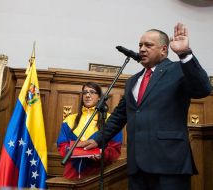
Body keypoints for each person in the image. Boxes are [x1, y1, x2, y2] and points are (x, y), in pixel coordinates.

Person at [77, 23, 212, 189]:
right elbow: (119, 116)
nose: (141, 49)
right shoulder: (133, 81)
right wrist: (98, 140)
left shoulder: (179, 70)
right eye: (140, 45)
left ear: (164, 49)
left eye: (148, 45)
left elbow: (203, 89)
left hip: (169, 163)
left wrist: (184, 54)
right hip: (137, 166)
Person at [57, 82, 123, 179]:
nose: (87, 95)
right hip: (71, 176)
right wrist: (72, 149)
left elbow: (115, 149)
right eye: (85, 92)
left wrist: (102, 154)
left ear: (100, 97)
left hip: (96, 177)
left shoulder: (110, 121)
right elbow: (61, 145)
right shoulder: (69, 120)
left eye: (92, 92)